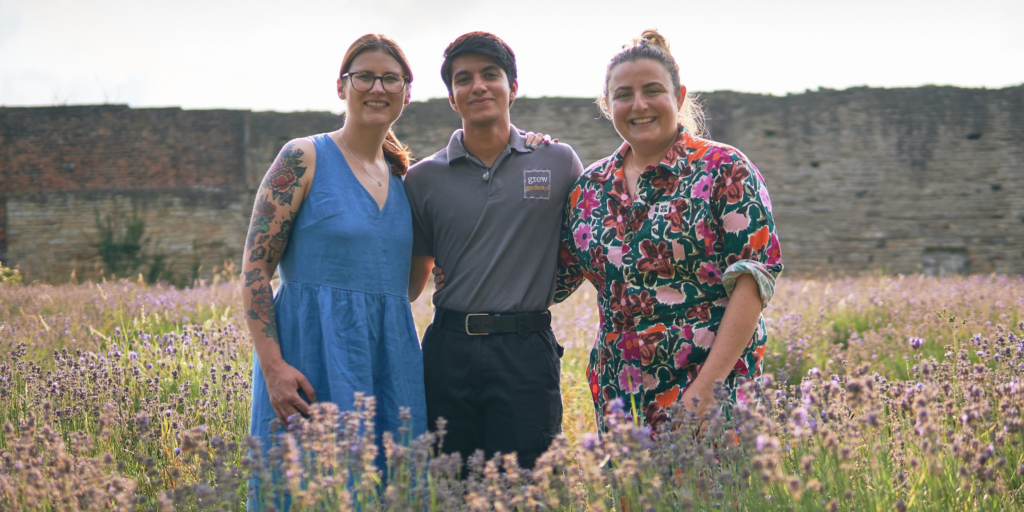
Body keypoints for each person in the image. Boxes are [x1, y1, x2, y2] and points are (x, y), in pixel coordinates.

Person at [555, 30, 783, 433]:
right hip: (619, 397)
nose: (638, 104)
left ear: (678, 98)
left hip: (710, 389)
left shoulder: (724, 169)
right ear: (608, 106)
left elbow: (754, 278)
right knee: (631, 497)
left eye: (652, 90)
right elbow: (554, 277)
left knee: (714, 497)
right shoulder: (589, 188)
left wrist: (708, 388)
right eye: (623, 94)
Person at [243, 34, 428, 473]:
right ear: (341, 86)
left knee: (390, 487)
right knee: (309, 484)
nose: (378, 88)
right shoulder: (303, 157)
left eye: (390, 79)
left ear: (407, 92)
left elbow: (409, 287)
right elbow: (254, 270)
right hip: (311, 353)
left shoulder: (410, 183)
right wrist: (273, 368)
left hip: (390, 360)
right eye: (364, 77)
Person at [404, 31, 585, 470]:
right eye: (463, 79)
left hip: (525, 350)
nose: (478, 86)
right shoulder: (423, 180)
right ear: (452, 98)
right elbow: (414, 278)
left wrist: (543, 286)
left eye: (490, 75)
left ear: (513, 87)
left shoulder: (558, 162)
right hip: (448, 349)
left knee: (527, 484)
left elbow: (585, 248)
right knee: (450, 484)